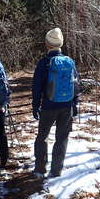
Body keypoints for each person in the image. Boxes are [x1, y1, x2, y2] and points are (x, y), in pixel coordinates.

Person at [32, 27, 79, 178]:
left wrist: (35, 105)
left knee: (42, 137)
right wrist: (74, 104)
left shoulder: (44, 63)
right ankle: (56, 170)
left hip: (48, 106)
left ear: (47, 44)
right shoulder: (70, 62)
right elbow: (76, 85)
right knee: (62, 137)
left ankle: (40, 169)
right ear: (61, 44)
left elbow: (37, 86)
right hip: (66, 106)